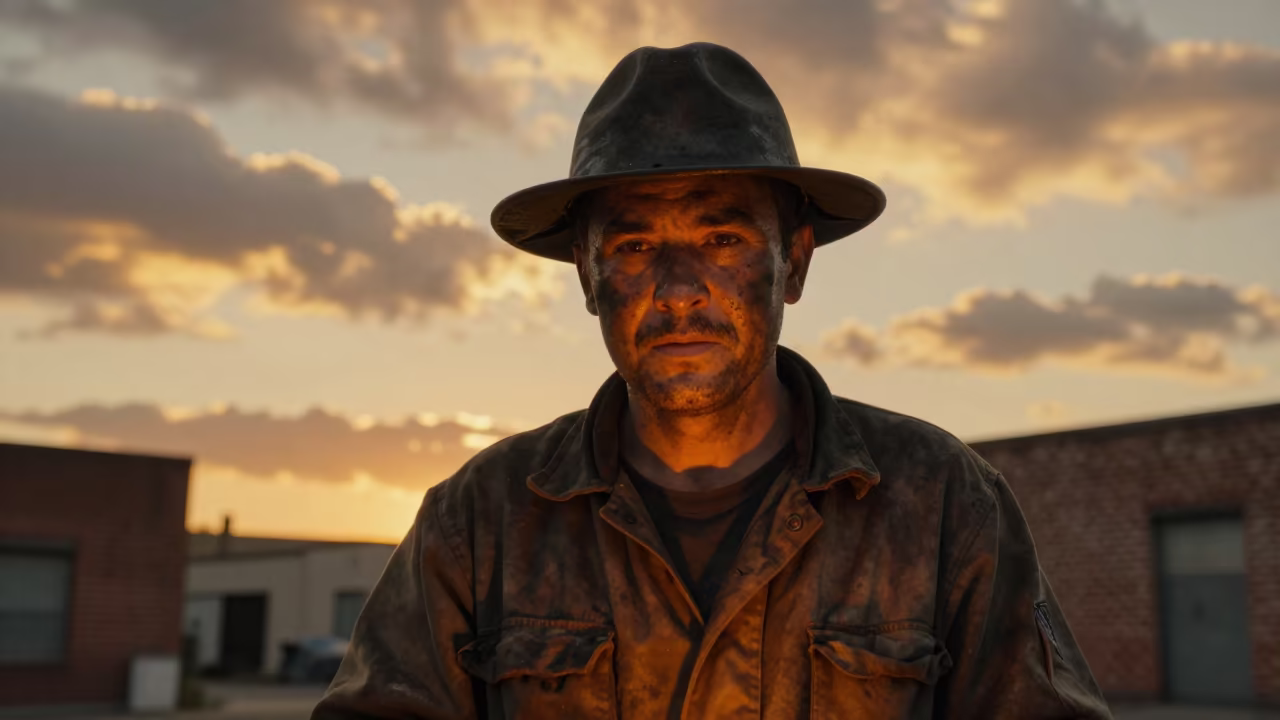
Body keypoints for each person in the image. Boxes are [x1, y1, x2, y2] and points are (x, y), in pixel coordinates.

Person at [312, 42, 1112, 720]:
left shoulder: (941, 505)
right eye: (632, 248)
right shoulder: (478, 521)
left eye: (721, 236)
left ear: (792, 263)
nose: (678, 286)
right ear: (587, 279)